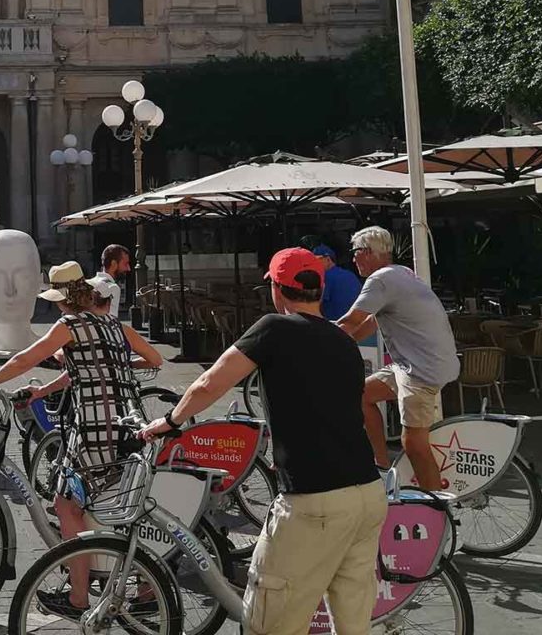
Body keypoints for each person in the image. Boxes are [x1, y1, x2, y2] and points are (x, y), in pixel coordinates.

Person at [142, 247, 385, 635]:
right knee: (353, 623)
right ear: (319, 289)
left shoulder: (275, 327)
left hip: (314, 500)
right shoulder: (342, 340)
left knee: (268, 624)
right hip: (367, 494)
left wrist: (169, 420)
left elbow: (210, 383)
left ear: (277, 288)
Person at [0, 266, 162, 618]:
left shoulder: (69, 326)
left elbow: (23, 359)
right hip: (128, 426)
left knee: (65, 504)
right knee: (115, 505)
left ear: (63, 300)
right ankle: (146, 586)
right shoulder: (118, 327)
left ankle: (79, 597)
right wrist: (106, 366)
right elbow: (155, 359)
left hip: (93, 428)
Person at [337, 226, 459, 492]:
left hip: (420, 369)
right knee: (363, 394)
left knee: (413, 443)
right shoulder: (402, 273)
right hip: (416, 363)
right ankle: (380, 463)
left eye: (355, 252)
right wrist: (344, 343)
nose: (353, 258)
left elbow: (351, 320)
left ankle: (436, 507)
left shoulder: (380, 279)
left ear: (367, 252)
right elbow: (370, 322)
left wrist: (312, 341)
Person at [312, 244, 364, 323]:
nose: (313, 264)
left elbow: (315, 305)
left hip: (336, 327)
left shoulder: (325, 277)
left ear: (328, 260)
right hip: (357, 325)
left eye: (316, 260)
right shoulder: (351, 275)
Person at [92, 244, 130, 315]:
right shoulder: (113, 288)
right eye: (125, 264)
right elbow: (112, 321)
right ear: (114, 264)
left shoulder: (89, 283)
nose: (128, 268)